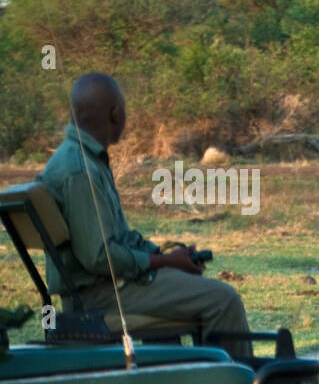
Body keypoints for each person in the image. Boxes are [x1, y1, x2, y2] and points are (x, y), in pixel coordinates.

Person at [36, 73, 252, 358]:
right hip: (101, 298)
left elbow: (116, 238)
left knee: (188, 281)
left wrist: (165, 258)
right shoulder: (80, 171)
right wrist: (161, 261)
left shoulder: (81, 158)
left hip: (102, 289)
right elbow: (99, 256)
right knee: (224, 300)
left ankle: (185, 380)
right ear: (116, 113)